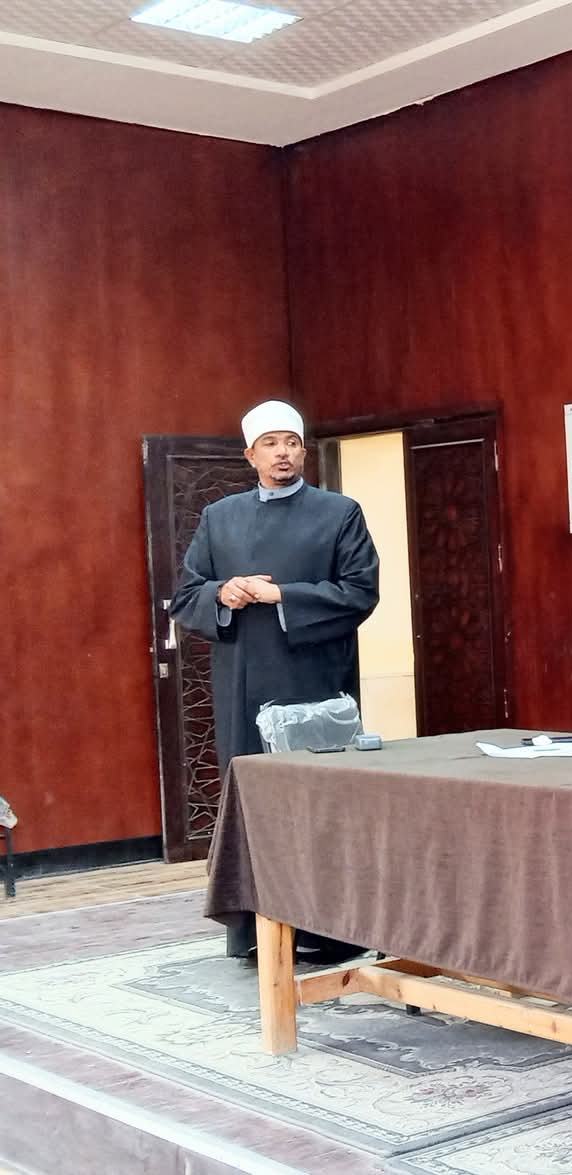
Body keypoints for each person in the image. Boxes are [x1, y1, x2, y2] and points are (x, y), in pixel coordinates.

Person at [171, 400, 379, 961]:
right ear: (250, 456)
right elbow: (187, 595)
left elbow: (361, 592)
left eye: (291, 442)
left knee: (319, 809)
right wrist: (223, 592)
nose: (282, 453)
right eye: (270, 444)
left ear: (303, 452)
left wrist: (282, 594)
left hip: (315, 685)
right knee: (255, 808)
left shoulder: (339, 513)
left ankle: (329, 933)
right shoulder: (220, 517)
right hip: (242, 686)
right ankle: (253, 933)